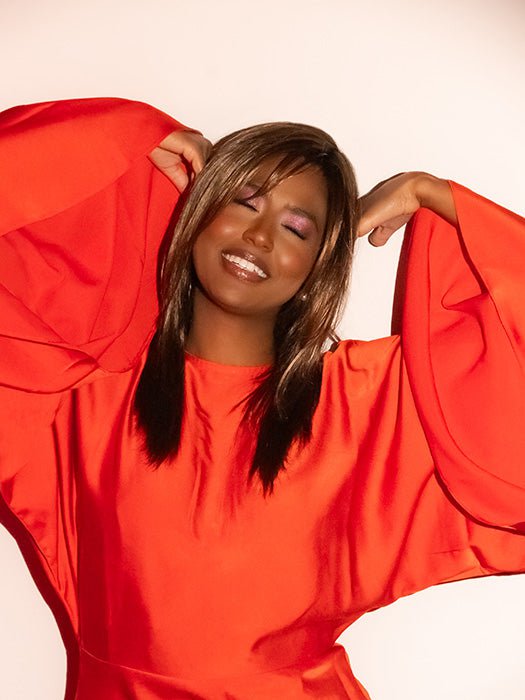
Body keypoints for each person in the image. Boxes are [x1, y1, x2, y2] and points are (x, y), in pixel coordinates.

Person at [0, 97, 524, 700]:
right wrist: (118, 136)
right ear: (199, 206)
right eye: (242, 201)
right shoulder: (77, 393)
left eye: (296, 228)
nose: (258, 235)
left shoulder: (368, 408)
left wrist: (435, 195)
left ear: (319, 263)